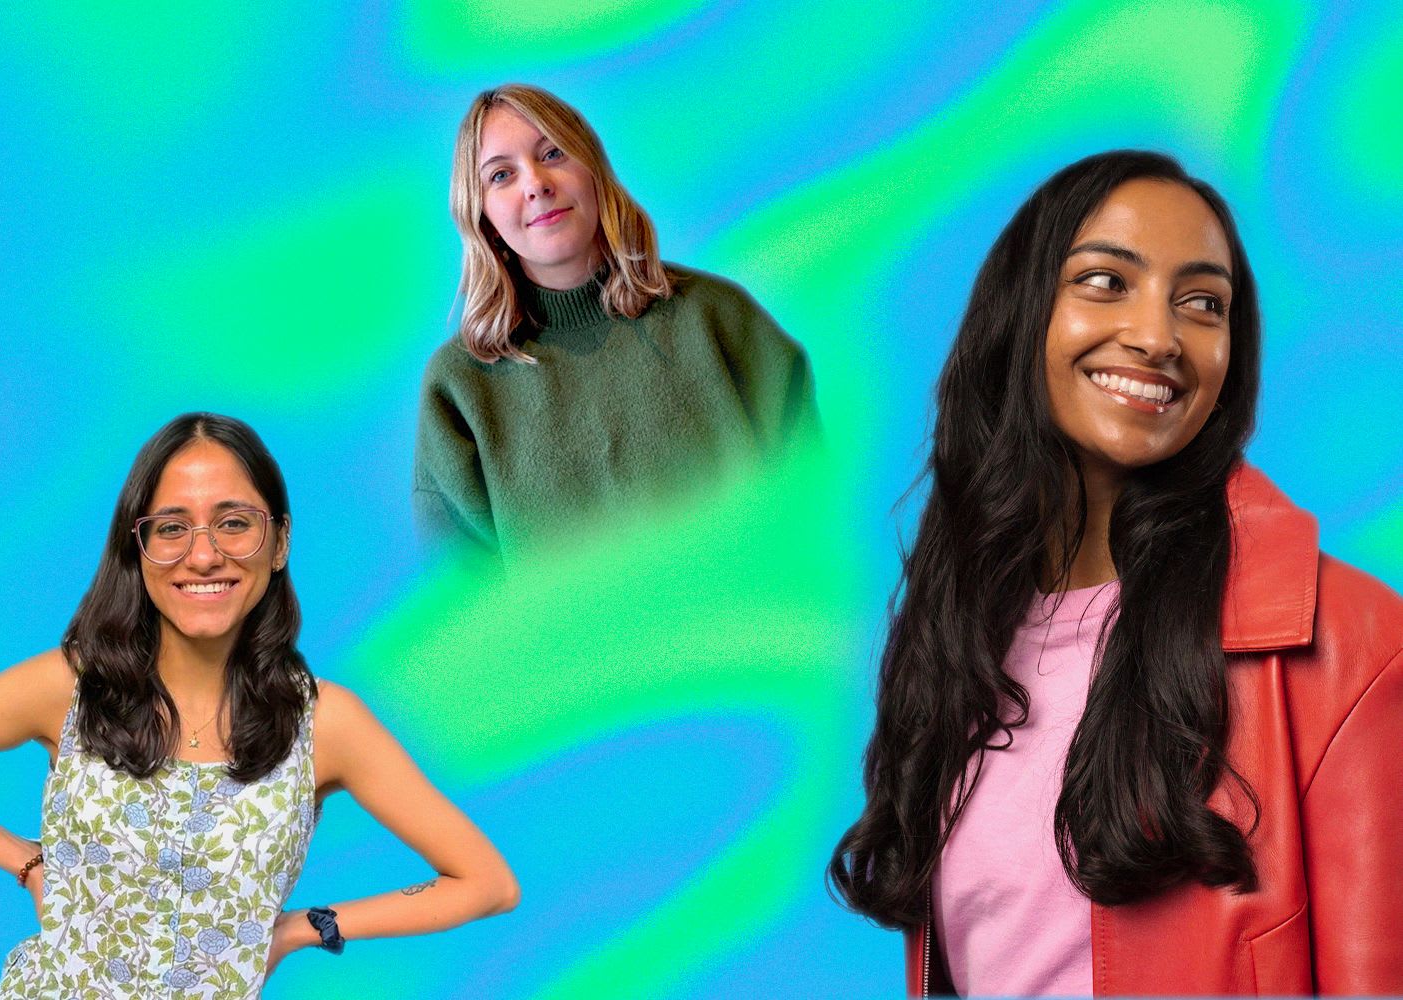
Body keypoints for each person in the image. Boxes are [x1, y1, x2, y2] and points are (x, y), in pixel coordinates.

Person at [828, 151, 1402, 995]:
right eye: (1106, 281)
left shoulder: (1351, 641)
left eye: (1203, 303)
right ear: (1023, 314)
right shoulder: (955, 631)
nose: (1159, 336)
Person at [0, 413, 518, 997]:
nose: (203, 555)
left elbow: (485, 884)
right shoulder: (70, 688)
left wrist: (305, 927)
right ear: (136, 548)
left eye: (233, 522)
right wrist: (28, 862)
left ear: (278, 541)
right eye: (172, 527)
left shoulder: (325, 723)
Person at [414, 83, 820, 563]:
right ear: (481, 216)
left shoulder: (719, 319)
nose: (536, 183)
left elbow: (815, 514)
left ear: (594, 171)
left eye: (554, 153)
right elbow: (467, 603)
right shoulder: (459, 387)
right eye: (501, 175)